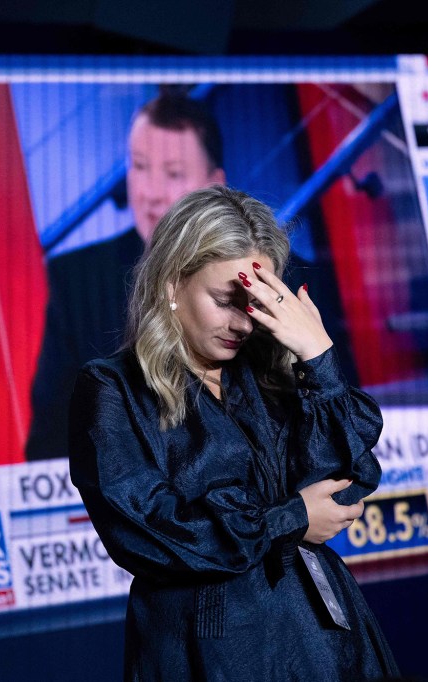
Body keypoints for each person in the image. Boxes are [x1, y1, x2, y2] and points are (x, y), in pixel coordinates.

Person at [68, 186, 399, 680]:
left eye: (255, 303)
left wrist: (318, 358)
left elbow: (350, 481)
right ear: (171, 285)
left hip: (326, 640)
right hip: (210, 651)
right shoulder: (113, 388)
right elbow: (151, 534)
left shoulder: (270, 374)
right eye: (226, 300)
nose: (242, 323)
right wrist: (289, 519)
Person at [26, 92, 226, 460]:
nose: (150, 193)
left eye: (173, 174)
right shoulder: (77, 281)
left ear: (214, 186)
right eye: (139, 166)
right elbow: (51, 440)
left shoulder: (281, 277)